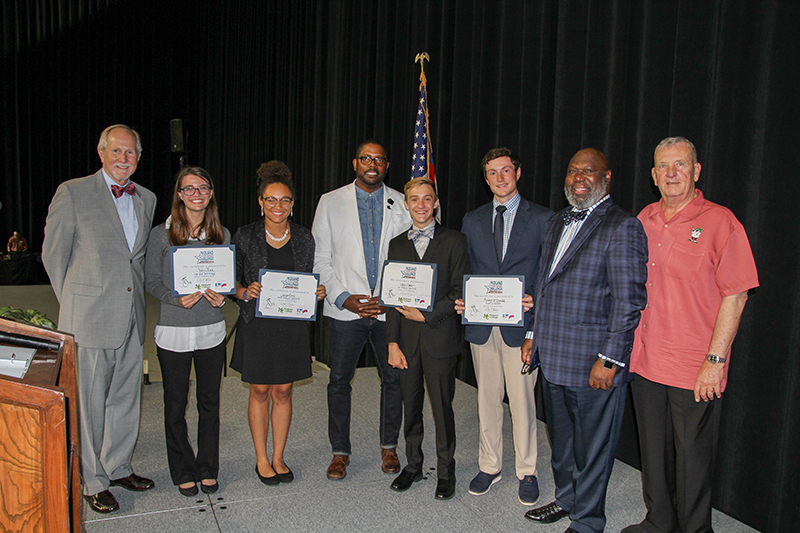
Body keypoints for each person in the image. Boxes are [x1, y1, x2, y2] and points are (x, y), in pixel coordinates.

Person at [623, 137, 758, 533]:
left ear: (696, 171)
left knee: (693, 459)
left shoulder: (721, 221)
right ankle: (659, 520)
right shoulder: (643, 219)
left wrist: (715, 362)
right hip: (645, 360)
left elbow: (737, 294)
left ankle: (697, 529)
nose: (671, 173)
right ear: (653, 176)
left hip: (693, 368)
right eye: (663, 166)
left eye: (680, 164)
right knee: (654, 452)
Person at [522, 148, 648, 532]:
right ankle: (567, 499)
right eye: (573, 170)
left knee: (593, 449)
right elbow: (543, 285)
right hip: (553, 356)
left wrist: (610, 358)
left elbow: (630, 300)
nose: (579, 177)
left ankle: (588, 521)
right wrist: (532, 334)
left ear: (606, 177)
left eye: (588, 171)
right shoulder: (556, 220)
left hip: (594, 362)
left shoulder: (622, 226)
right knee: (561, 444)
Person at [42, 124, 156, 514]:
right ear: (101, 152)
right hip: (88, 318)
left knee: (125, 396)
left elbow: (135, 260)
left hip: (132, 317)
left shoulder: (147, 198)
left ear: (139, 158)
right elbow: (53, 256)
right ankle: (90, 478)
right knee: (89, 403)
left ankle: (118, 465)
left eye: (131, 153)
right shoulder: (72, 192)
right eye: (117, 151)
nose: (124, 159)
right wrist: (76, 304)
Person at [456, 147, 553, 505]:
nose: (500, 178)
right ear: (486, 179)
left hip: (522, 327)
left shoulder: (543, 218)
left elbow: (549, 274)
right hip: (482, 326)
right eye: (493, 173)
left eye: (506, 170)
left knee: (523, 401)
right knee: (487, 398)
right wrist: (461, 297)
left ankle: (527, 470)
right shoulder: (472, 219)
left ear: (518, 172)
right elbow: (464, 268)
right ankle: (490, 465)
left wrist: (535, 305)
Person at [312, 139, 411, 479]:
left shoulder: (402, 203)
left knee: (393, 380)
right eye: (366, 158)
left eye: (379, 159)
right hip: (346, 310)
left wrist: (393, 296)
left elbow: (413, 260)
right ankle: (340, 452)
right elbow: (320, 257)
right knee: (339, 381)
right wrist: (343, 298)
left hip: (389, 310)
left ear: (387, 166)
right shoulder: (329, 202)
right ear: (354, 163)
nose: (373, 163)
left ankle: (389, 447)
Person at [231, 161, 326, 485]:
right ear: (260, 202)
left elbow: (304, 282)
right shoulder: (244, 236)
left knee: (284, 391)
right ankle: (261, 457)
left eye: (284, 200)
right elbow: (232, 283)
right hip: (257, 325)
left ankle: (278, 456)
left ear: (292, 204)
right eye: (271, 199)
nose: (278, 206)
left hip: (291, 327)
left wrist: (316, 292)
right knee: (259, 390)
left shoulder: (303, 237)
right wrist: (245, 290)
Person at [145, 167, 229, 496]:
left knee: (210, 404)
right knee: (175, 405)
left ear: (210, 193)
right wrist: (175, 299)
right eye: (189, 189)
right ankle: (182, 467)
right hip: (173, 331)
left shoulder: (221, 233)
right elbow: (151, 281)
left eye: (203, 188)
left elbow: (226, 281)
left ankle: (208, 467)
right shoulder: (159, 234)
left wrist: (226, 294)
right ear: (179, 194)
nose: (197, 194)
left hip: (211, 330)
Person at [386, 177, 470, 500]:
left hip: (440, 339)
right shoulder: (396, 245)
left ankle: (446, 472)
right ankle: (413, 465)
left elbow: (459, 292)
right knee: (411, 405)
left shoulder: (454, 241)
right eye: (414, 200)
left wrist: (426, 313)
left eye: (427, 199)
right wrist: (392, 343)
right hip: (405, 343)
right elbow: (392, 300)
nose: (421, 205)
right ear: (406, 204)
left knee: (441, 408)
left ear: (435, 203)